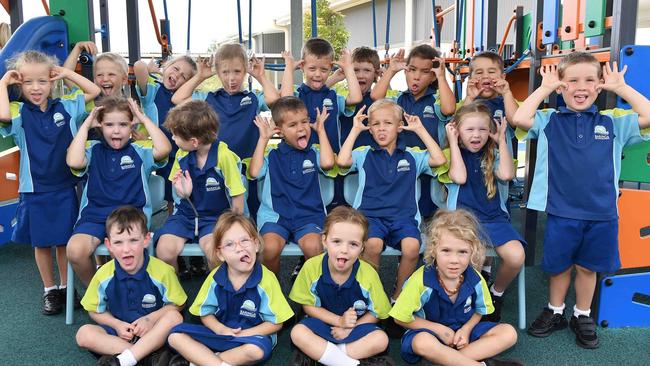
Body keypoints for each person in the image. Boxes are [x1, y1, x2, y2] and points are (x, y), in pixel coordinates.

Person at [513, 52, 650, 349]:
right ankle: (555, 310)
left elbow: (649, 116)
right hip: (562, 212)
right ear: (561, 87)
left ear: (599, 86)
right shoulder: (549, 119)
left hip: (602, 213)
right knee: (560, 266)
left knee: (588, 267)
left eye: (590, 80)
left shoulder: (614, 122)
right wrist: (545, 87)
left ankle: (582, 314)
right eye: (572, 81)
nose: (581, 87)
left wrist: (622, 88)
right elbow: (520, 118)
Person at [0, 50, 100, 315]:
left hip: (64, 186)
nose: (35, 88)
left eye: (42, 81)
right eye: (28, 82)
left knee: (64, 242)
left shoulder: (66, 106)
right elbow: (3, 116)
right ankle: (50, 290)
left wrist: (67, 73)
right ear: (19, 84)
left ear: (52, 81)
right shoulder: (18, 111)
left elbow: (93, 90)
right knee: (41, 243)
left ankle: (67, 288)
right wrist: (2, 83)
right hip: (34, 189)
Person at [337, 99, 446, 303]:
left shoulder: (412, 155)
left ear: (399, 127)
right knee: (373, 245)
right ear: (369, 128)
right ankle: (374, 294)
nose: (381, 129)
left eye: (387, 123)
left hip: (403, 218)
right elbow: (342, 161)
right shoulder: (364, 154)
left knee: (412, 247)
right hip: (370, 218)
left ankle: (398, 296)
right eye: (376, 124)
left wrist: (420, 130)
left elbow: (439, 160)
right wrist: (354, 130)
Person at [389, 209, 521, 366]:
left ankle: (450, 361)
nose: (454, 260)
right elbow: (399, 317)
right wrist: (439, 330)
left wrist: (466, 330)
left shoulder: (476, 279)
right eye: (446, 251)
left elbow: (480, 311)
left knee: (509, 333)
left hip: (463, 335)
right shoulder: (420, 280)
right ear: (433, 250)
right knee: (422, 342)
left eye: (462, 252)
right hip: (429, 333)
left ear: (472, 252)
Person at [66, 96, 171, 286]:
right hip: (95, 216)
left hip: (131, 217)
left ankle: (130, 291)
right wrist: (86, 125)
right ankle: (99, 294)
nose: (116, 130)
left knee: (125, 252)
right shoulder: (92, 149)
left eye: (123, 124)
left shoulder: (141, 149)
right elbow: (73, 161)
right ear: (100, 126)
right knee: (75, 251)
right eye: (109, 124)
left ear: (132, 126)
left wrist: (142, 118)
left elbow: (164, 149)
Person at [167, 212, 294, 366]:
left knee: (256, 351)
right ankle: (216, 361)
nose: (239, 248)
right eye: (230, 244)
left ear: (256, 244)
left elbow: (275, 323)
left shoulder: (267, 280)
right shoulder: (215, 278)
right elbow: (205, 313)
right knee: (175, 336)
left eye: (245, 240)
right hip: (220, 334)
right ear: (220, 254)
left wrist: (244, 334)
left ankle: (202, 360)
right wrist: (220, 330)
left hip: (251, 337)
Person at [172, 43, 280, 224]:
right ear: (217, 72)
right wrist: (200, 76)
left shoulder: (252, 98)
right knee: (219, 213)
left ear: (245, 70)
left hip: (247, 169)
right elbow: (177, 99)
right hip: (216, 168)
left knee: (248, 217)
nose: (231, 79)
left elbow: (275, 101)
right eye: (225, 72)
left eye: (237, 71)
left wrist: (261, 76)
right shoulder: (209, 98)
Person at [444, 102, 525, 322]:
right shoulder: (450, 154)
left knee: (516, 257)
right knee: (475, 259)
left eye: (482, 129)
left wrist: (501, 141)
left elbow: (507, 175)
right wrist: (453, 142)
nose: (477, 135)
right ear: (457, 130)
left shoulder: (494, 153)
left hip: (494, 219)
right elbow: (459, 178)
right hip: (462, 222)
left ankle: (495, 294)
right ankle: (471, 300)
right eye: (469, 129)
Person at [75, 206, 186, 366]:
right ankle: (145, 356)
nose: (126, 249)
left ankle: (124, 359)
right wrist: (116, 324)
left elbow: (178, 304)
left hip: (154, 331)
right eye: (118, 242)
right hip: (120, 334)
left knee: (174, 318)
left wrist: (150, 319)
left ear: (146, 239)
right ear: (109, 245)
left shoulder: (162, 271)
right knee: (84, 334)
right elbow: (94, 310)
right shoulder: (103, 275)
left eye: (133, 240)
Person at [289, 206, 393, 366]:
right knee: (297, 333)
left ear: (362, 247)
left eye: (353, 244)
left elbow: (377, 313)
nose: (344, 250)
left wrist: (349, 327)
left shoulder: (368, 274)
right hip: (323, 324)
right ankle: (347, 362)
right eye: (337, 241)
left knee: (381, 340)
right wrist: (339, 321)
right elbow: (308, 306)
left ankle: (329, 356)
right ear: (324, 240)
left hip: (355, 328)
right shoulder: (311, 267)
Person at [248, 96, 336, 275]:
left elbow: (327, 163)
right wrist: (263, 138)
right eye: (293, 125)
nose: (301, 128)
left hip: (309, 217)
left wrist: (321, 130)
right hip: (275, 217)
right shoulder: (272, 155)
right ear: (279, 131)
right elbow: (255, 172)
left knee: (314, 248)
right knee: (269, 248)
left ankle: (310, 295)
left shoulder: (314, 152)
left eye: (305, 122)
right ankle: (275, 295)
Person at [156, 100, 246, 270]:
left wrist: (234, 226)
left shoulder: (224, 156)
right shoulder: (182, 155)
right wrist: (183, 192)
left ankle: (216, 291)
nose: (173, 138)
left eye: (175, 135)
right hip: (185, 216)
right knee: (164, 251)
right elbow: (178, 194)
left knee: (214, 252)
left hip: (216, 218)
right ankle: (174, 294)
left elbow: (237, 195)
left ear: (194, 141)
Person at [370, 44, 456, 217]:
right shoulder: (398, 99)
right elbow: (375, 98)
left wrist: (441, 76)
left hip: (430, 168)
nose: (416, 77)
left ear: (432, 77)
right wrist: (391, 70)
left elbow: (449, 109)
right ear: (405, 71)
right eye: (412, 70)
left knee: (429, 214)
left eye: (425, 72)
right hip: (400, 168)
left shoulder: (436, 99)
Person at [134, 55, 197, 209]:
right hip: (159, 149)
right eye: (175, 69)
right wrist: (156, 72)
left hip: (178, 150)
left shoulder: (185, 97)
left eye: (183, 76)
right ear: (167, 67)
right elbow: (138, 66)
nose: (177, 75)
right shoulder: (153, 90)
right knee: (167, 193)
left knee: (179, 190)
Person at [280, 37, 363, 153]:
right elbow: (285, 101)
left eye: (324, 70)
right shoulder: (298, 94)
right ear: (302, 66)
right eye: (312, 69)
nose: (318, 74)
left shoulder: (333, 96)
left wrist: (348, 68)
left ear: (330, 69)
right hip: (302, 161)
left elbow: (356, 98)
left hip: (330, 162)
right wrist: (289, 68)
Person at [63, 42, 129, 99]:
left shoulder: (131, 108)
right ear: (94, 80)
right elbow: (66, 76)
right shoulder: (89, 97)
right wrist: (78, 47)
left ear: (124, 79)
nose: (105, 79)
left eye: (111, 74)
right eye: (99, 75)